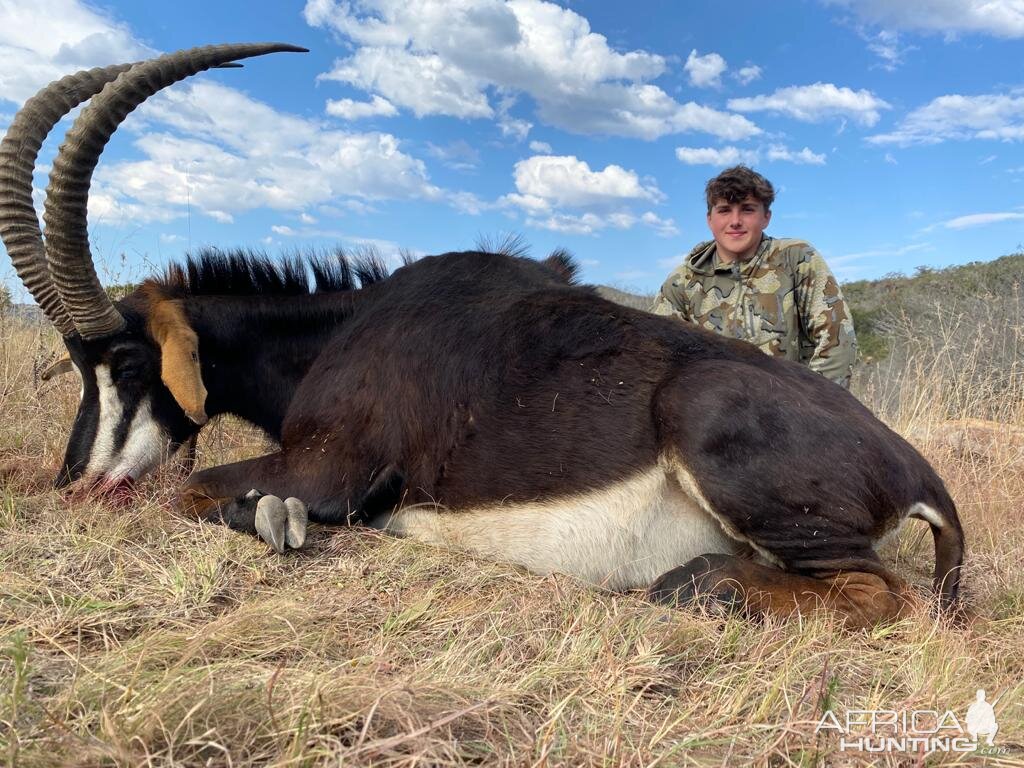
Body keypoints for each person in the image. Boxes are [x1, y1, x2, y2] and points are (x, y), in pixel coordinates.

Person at [651, 165, 857, 388]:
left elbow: (837, 340)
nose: (735, 221)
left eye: (747, 209)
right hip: (711, 415)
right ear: (709, 219)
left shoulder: (797, 259)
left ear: (766, 217)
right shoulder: (682, 281)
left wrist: (814, 411)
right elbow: (658, 358)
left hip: (793, 409)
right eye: (724, 210)